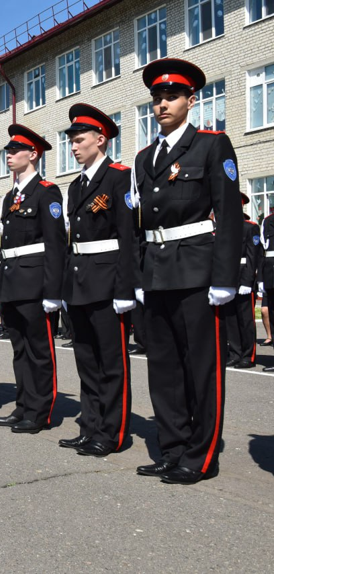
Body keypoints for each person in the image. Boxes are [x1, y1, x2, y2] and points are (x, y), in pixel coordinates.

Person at [132, 60, 242, 484]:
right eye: (157, 98)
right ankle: (172, 447)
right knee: (163, 367)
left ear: (190, 101)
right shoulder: (144, 157)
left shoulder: (212, 145)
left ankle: (201, 454)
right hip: (157, 272)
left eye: (171, 97)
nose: (162, 104)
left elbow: (229, 214)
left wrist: (225, 278)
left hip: (198, 270)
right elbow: (139, 224)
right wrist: (139, 278)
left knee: (202, 367)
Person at [54, 105, 137, 456]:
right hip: (80, 281)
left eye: (79, 140)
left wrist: (126, 287)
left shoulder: (120, 177)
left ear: (100, 140)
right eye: (70, 141)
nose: (73, 147)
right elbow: (73, 241)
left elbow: (130, 235)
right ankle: (90, 426)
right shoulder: (75, 187)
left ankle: (112, 432)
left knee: (111, 362)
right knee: (86, 360)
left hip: (108, 281)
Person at [0, 126, 65, 433]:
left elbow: (56, 243)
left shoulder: (47, 191)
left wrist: (53, 290)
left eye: (15, 150)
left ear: (33, 154)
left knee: (39, 351)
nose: (9, 154)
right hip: (12, 281)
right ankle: (23, 406)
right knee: (20, 350)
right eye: (7, 150)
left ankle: (40, 412)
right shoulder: (10, 197)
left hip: (35, 283)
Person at [225, 194, 264, 369]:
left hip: (243, 278)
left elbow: (252, 257)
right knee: (231, 319)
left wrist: (248, 282)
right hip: (227, 279)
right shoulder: (223, 228)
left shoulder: (250, 228)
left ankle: (248, 355)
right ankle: (235, 353)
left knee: (246, 320)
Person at [259, 210, 274, 371]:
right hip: (271, 272)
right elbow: (264, 252)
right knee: (274, 315)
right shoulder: (268, 221)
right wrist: (262, 279)